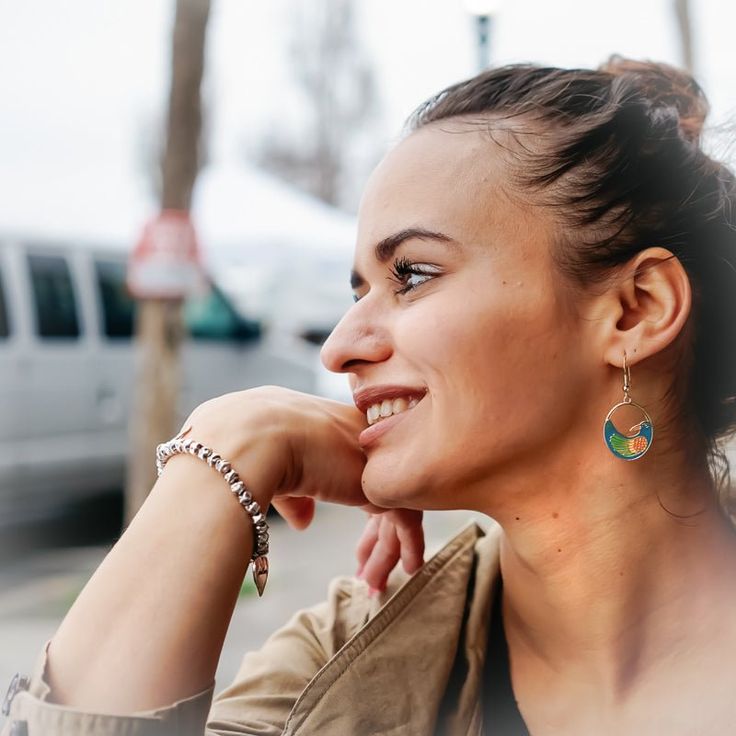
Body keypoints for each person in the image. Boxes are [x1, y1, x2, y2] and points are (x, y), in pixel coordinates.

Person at [3, 56, 736, 735]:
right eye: (356, 290)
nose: (339, 346)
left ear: (636, 309)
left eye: (412, 275)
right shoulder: (342, 659)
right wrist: (226, 449)